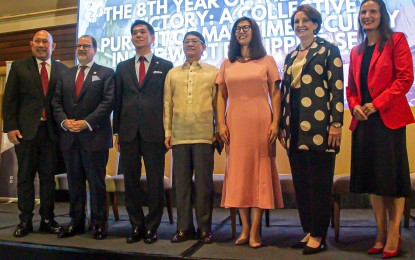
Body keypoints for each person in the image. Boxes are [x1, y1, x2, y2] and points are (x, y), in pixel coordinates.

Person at [346, 0, 414, 258]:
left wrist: (375, 104)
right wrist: (354, 106)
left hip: (388, 119)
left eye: (373, 11)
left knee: (392, 180)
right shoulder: (356, 51)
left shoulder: (396, 40)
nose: (367, 16)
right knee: (373, 181)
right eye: (363, 12)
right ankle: (381, 233)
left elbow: (404, 79)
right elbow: (351, 89)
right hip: (363, 122)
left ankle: (394, 234)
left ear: (382, 15)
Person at [279, 4, 344, 255]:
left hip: (319, 124)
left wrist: (336, 124)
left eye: (305, 20)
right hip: (294, 124)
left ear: (316, 24)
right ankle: (308, 230)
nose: (300, 25)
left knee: (319, 182)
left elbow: (336, 89)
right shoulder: (291, 56)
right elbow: (286, 93)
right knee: (302, 183)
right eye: (296, 21)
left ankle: (319, 234)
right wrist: (284, 125)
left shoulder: (329, 50)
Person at [216, 17, 283, 248]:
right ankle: (244, 229)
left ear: (254, 32)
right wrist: (221, 124)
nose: (241, 32)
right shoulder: (227, 63)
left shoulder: (267, 60)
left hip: (260, 121)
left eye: (245, 28)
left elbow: (275, 94)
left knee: (258, 173)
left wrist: (276, 122)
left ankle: (255, 231)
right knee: (239, 175)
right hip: (234, 122)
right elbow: (221, 96)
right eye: (237, 29)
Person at [2, 30, 67, 238]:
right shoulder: (20, 67)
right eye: (38, 41)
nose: (41, 45)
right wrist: (10, 127)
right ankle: (25, 219)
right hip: (25, 132)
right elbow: (9, 99)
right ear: (31, 45)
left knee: (48, 178)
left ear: (53, 46)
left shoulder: (62, 70)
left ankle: (48, 218)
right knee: (25, 177)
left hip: (52, 133)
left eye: (45, 42)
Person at [113, 20, 174, 244]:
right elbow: (118, 101)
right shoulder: (122, 67)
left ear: (152, 37)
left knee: (155, 180)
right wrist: (116, 131)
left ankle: (152, 226)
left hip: (155, 132)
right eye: (134, 33)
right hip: (128, 132)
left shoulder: (166, 66)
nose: (138, 35)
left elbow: (169, 101)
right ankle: (136, 225)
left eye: (142, 32)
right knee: (131, 181)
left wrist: (169, 130)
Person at [52, 35, 114, 240]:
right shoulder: (66, 74)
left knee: (96, 183)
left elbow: (107, 103)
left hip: (94, 137)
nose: (81, 49)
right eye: (78, 45)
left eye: (86, 46)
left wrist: (86, 122)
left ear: (94, 50)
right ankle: (76, 222)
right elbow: (56, 103)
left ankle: (99, 224)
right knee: (74, 182)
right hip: (70, 137)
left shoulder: (106, 73)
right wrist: (64, 122)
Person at [164, 31, 218, 244]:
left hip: (204, 134)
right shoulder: (172, 73)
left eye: (194, 42)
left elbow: (218, 104)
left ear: (204, 47)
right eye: (186, 42)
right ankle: (184, 228)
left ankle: (204, 229)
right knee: (181, 184)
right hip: (179, 135)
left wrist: (217, 130)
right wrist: (168, 132)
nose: (190, 45)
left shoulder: (213, 72)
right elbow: (167, 104)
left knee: (204, 184)